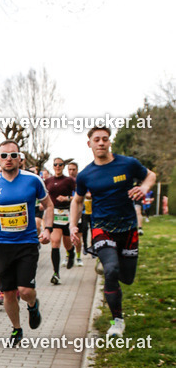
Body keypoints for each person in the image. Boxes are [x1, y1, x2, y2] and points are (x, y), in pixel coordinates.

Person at [70, 126, 155, 338]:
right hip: (101, 227)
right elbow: (78, 200)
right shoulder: (85, 175)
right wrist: (73, 225)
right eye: (96, 139)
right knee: (112, 270)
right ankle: (117, 321)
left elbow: (150, 175)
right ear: (89, 144)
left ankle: (108, 264)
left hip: (127, 227)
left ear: (110, 142)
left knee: (126, 277)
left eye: (105, 139)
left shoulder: (128, 163)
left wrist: (143, 189)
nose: (101, 143)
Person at [0, 139, 54, 346]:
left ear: (20, 158)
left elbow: (48, 205)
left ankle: (33, 304)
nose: (8, 159)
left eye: (13, 155)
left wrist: (47, 229)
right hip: (3, 245)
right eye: (3, 155)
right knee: (8, 292)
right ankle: (17, 329)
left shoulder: (33, 180)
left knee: (25, 290)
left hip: (27, 243)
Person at [46, 157, 76, 284]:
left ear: (63, 166)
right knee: (55, 242)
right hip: (54, 214)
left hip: (67, 214)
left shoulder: (69, 180)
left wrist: (67, 198)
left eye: (60, 164)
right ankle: (56, 273)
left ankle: (71, 253)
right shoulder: (48, 181)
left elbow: (79, 195)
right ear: (53, 166)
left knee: (67, 243)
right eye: (55, 164)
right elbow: (44, 195)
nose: (57, 166)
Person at [66, 161, 84, 264]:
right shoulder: (65, 181)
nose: (71, 172)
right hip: (66, 212)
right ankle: (68, 255)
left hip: (80, 212)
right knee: (67, 236)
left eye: (73, 169)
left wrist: (67, 198)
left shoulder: (80, 181)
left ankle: (78, 257)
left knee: (78, 236)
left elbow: (85, 195)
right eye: (70, 169)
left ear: (77, 170)